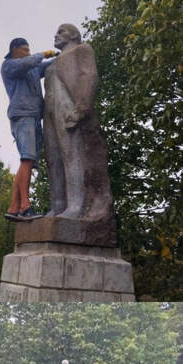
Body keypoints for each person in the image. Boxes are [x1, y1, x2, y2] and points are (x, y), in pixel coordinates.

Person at [43, 24, 114, 222]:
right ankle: (57, 205)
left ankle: (76, 205)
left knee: (71, 154)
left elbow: (89, 76)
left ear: (74, 35)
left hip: (68, 104)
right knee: (53, 158)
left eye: (61, 32)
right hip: (48, 110)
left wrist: (81, 108)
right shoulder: (52, 62)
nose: (56, 35)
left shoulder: (82, 49)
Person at [1, 38, 57, 221]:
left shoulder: (33, 67)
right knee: (27, 158)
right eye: (25, 49)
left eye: (29, 50)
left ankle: (14, 207)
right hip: (22, 116)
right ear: (15, 49)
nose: (28, 52)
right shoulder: (9, 66)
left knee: (28, 162)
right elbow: (30, 61)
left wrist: (63, 56)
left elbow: (47, 65)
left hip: (34, 116)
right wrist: (42, 54)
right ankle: (25, 206)